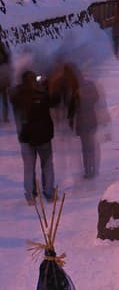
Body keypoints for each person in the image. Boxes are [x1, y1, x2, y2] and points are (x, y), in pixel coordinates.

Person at [11, 70, 59, 203]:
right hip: (43, 137)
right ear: (33, 81)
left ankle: (30, 195)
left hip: (25, 138)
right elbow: (55, 100)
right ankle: (49, 192)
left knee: (28, 167)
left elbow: (12, 96)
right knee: (47, 165)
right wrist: (47, 85)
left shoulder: (17, 97)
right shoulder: (42, 95)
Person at [71, 73, 106, 179]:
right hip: (91, 120)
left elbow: (73, 105)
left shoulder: (76, 88)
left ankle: (88, 170)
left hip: (82, 121)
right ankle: (92, 169)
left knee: (85, 148)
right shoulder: (90, 85)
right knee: (91, 146)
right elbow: (96, 98)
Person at [0, 40, 11, 122]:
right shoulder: (3, 46)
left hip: (3, 74)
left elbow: (8, 58)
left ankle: (5, 117)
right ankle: (5, 117)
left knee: (4, 98)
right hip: (4, 73)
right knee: (4, 98)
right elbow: (8, 58)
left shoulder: (2, 45)